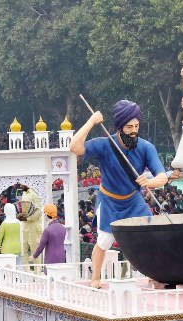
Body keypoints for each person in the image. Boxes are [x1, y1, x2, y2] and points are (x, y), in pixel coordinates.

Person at [69, 99, 171, 288]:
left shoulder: (146, 147)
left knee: (152, 237)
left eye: (136, 126)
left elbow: (163, 177)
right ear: (120, 127)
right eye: (129, 127)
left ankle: (155, 274)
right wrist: (91, 121)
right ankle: (95, 278)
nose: (134, 130)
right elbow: (74, 147)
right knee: (104, 241)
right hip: (110, 202)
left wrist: (149, 182)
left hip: (134, 201)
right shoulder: (105, 144)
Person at [18, 185, 43, 265]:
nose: (20, 185)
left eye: (22, 184)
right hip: (24, 226)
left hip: (34, 227)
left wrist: (27, 219)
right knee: (23, 251)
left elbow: (39, 211)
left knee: (35, 251)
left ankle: (37, 274)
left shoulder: (35, 194)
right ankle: (25, 273)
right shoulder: (24, 194)